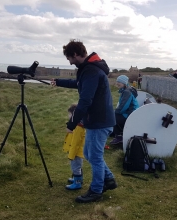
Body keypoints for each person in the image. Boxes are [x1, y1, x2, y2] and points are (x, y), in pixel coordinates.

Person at [51, 39, 117, 203]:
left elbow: (85, 101)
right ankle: (108, 180)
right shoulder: (89, 68)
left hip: (99, 121)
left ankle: (96, 191)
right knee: (89, 154)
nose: (69, 62)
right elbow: (80, 84)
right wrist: (59, 82)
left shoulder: (91, 70)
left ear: (75, 54)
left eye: (69, 58)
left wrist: (72, 124)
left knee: (94, 157)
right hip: (99, 120)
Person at [110, 75, 139, 145]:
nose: (117, 83)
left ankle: (119, 137)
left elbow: (123, 107)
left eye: (119, 82)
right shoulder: (126, 90)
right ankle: (115, 133)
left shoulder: (127, 92)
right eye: (117, 81)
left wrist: (114, 112)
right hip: (130, 113)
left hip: (130, 114)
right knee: (113, 114)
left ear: (124, 83)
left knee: (112, 116)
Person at [63, 104, 85, 190]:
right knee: (76, 166)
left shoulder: (78, 127)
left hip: (76, 152)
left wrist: (71, 154)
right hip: (75, 151)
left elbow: (75, 143)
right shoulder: (76, 125)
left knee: (76, 167)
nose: (68, 116)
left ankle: (77, 183)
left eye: (69, 114)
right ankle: (78, 179)